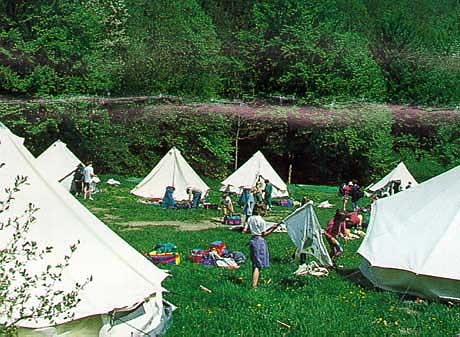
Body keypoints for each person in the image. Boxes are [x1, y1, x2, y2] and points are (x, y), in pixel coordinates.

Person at [247, 208, 280, 288]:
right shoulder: (261, 220)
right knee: (258, 265)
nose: (265, 212)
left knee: (255, 263)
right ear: (260, 210)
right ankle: (254, 285)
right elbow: (264, 234)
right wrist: (273, 229)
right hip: (259, 241)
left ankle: (255, 281)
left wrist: (271, 227)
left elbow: (254, 230)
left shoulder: (250, 218)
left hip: (252, 240)